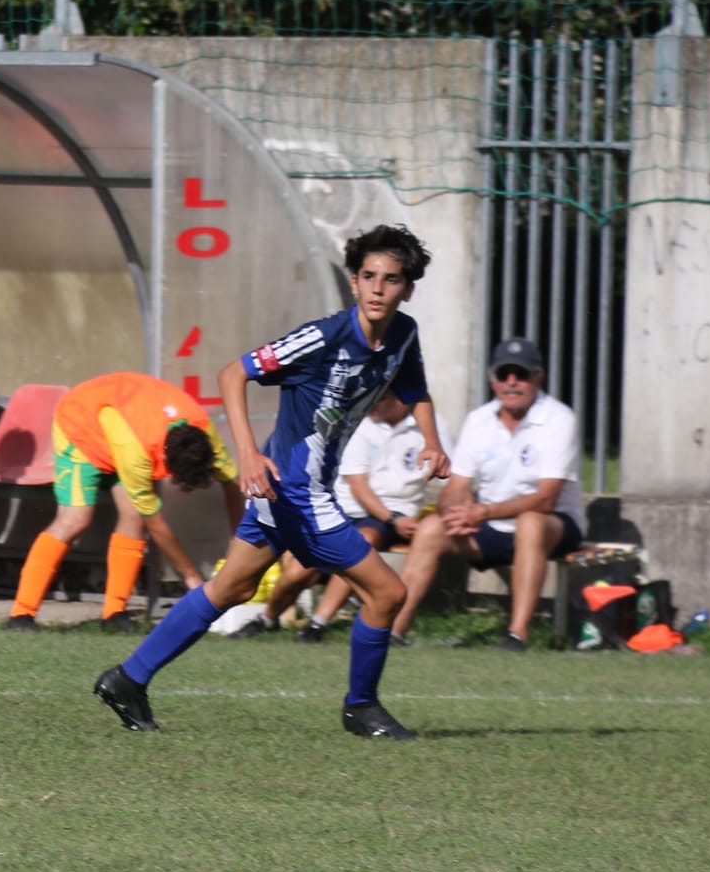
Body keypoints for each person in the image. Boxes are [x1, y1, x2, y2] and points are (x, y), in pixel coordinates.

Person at [91, 224, 449, 741]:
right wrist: (248, 454)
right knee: (388, 592)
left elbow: (415, 387)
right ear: (353, 282)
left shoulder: (404, 334)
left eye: (391, 279)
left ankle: (127, 678)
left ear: (407, 288)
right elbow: (232, 374)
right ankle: (361, 708)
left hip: (291, 490)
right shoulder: (324, 336)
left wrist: (433, 442)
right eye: (368, 276)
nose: (377, 288)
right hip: (298, 493)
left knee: (230, 588)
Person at [5, 372, 243, 633]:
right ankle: (21, 614)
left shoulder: (205, 433)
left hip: (124, 422)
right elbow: (157, 524)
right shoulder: (137, 453)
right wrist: (191, 576)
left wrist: (238, 542)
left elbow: (233, 486)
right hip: (81, 425)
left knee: (133, 518)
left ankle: (114, 613)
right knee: (75, 519)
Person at [388, 337, 585, 651]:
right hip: (491, 523)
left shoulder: (559, 419)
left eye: (521, 374)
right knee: (430, 529)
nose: (512, 382)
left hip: (553, 525)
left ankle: (517, 634)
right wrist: (456, 512)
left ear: (538, 378)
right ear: (492, 380)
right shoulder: (478, 420)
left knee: (532, 522)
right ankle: (393, 631)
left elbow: (546, 499)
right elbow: (456, 487)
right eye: (504, 374)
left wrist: (481, 513)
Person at [236, 391, 449, 642]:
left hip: (389, 518)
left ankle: (317, 623)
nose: (374, 403)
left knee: (364, 540)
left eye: (381, 398)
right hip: (349, 510)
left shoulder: (431, 425)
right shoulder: (357, 421)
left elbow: (450, 474)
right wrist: (392, 518)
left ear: (402, 399)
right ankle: (268, 617)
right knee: (298, 572)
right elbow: (358, 486)